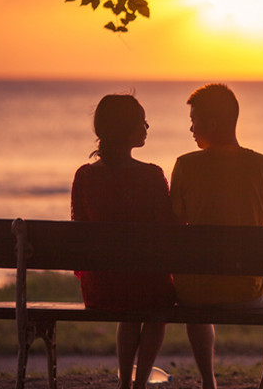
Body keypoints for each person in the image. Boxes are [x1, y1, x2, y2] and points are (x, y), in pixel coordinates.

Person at [170, 83, 263, 389]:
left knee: (199, 291)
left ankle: (209, 383)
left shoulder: (185, 166)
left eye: (194, 120)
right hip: (248, 292)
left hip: (194, 293)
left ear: (212, 123)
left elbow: (174, 232)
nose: (190, 127)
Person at [71, 94, 176, 389]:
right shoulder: (152, 175)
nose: (147, 126)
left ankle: (125, 386)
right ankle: (139, 384)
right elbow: (166, 231)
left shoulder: (84, 176)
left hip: (102, 289)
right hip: (146, 286)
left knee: (128, 295)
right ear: (127, 130)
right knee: (156, 309)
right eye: (142, 121)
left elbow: (79, 231)